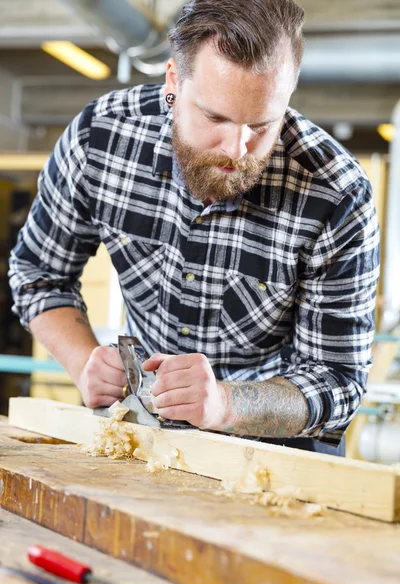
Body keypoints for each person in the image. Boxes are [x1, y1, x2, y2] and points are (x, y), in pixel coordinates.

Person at [8, 0, 379, 456]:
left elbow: (337, 382)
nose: (237, 149)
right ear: (173, 82)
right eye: (216, 118)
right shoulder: (101, 138)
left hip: (276, 454)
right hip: (144, 431)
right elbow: (38, 274)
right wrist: (85, 362)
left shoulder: (336, 195)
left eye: (262, 124)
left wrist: (224, 405)